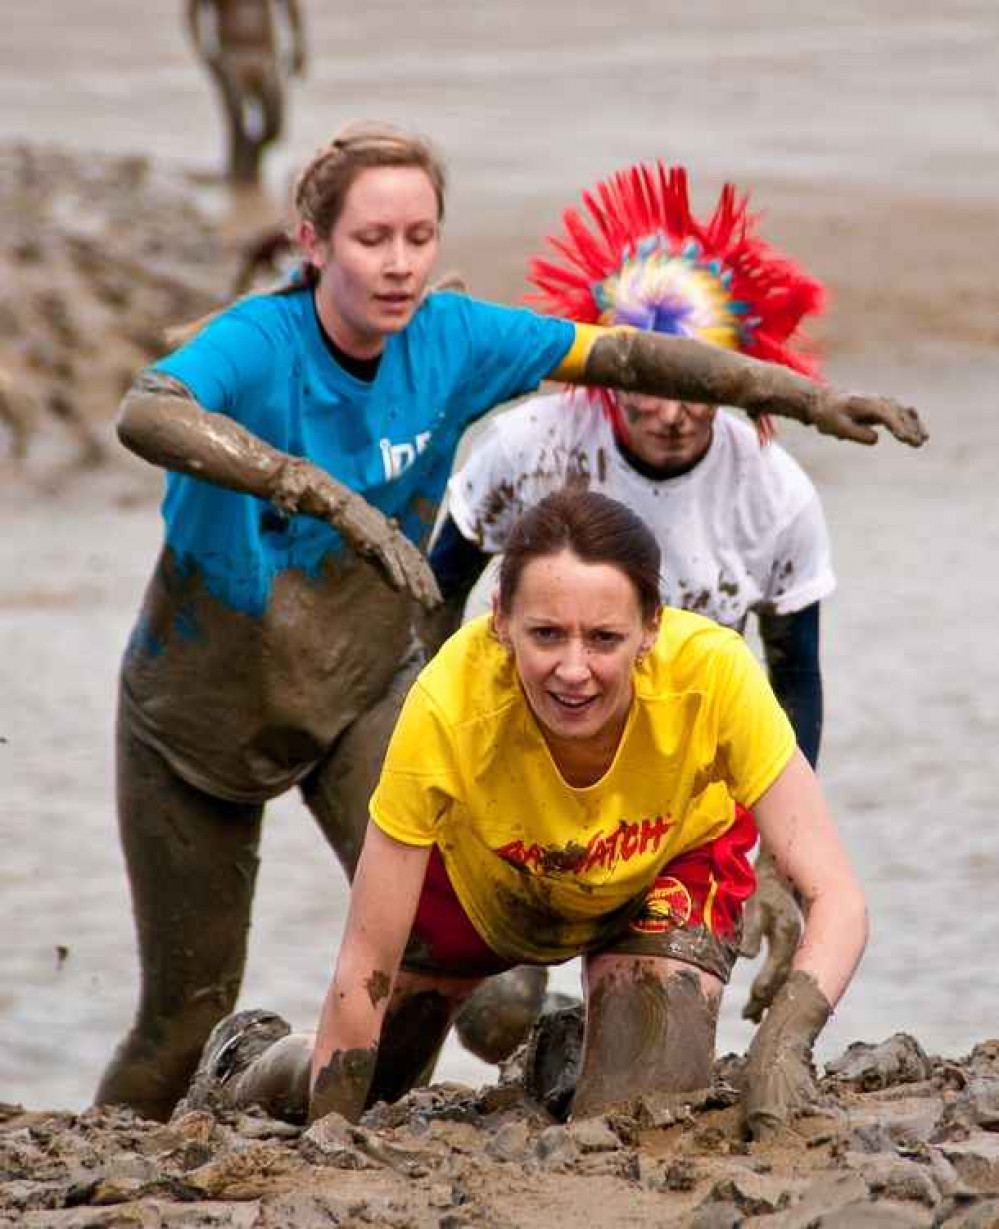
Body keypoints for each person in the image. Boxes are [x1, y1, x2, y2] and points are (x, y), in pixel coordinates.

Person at [93, 120, 923, 1123]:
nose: (399, 264)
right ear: (310, 242)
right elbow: (148, 411)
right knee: (202, 1022)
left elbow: (636, 359)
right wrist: (316, 492)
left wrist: (803, 393)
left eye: (419, 236)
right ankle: (176, 1119)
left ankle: (571, 1050)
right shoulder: (299, 357)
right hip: (201, 711)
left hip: (395, 711)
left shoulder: (469, 347)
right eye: (371, 239)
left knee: (553, 1039)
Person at [193, 488, 867, 1138]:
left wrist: (781, 1048)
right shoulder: (446, 703)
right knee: (368, 1077)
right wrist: (326, 1137)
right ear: (500, 620)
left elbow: (835, 895)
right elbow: (365, 958)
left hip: (661, 874)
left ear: (650, 627)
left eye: (604, 637)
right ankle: (250, 1058)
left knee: (641, 1115)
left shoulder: (714, 674)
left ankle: (581, 1048)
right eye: (545, 634)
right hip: (482, 885)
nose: (573, 669)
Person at [432, 161, 837, 1034]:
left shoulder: (773, 490)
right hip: (519, 779)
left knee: (648, 1056)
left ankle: (590, 1046)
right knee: (492, 1020)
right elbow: (435, 604)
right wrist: (424, 773)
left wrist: (777, 865)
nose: (669, 411)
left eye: (699, 386)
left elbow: (792, 682)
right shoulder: (527, 446)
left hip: (681, 811)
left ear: (738, 376)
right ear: (606, 365)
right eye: (647, 382)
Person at [186, 0, 307, 186]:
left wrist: (299, 48)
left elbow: (291, 7)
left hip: (266, 55)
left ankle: (248, 166)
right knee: (237, 123)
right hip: (231, 55)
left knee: (275, 125)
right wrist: (203, 51)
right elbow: (193, 12)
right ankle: (241, 180)